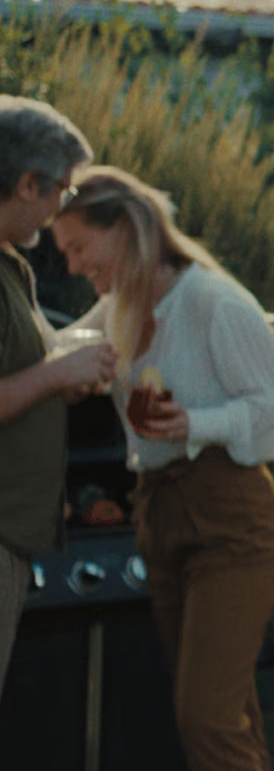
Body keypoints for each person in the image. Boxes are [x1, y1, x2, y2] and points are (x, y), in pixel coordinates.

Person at [50, 167, 274, 771]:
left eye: (80, 246)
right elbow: (53, 352)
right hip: (157, 510)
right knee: (226, 715)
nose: (74, 265)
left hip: (231, 518)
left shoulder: (213, 302)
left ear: (124, 228)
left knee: (207, 718)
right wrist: (73, 371)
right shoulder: (118, 308)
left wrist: (195, 422)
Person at [0, 97, 113, 701]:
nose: (60, 208)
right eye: (60, 192)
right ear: (25, 183)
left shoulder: (11, 267)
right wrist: (53, 375)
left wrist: (65, 377)